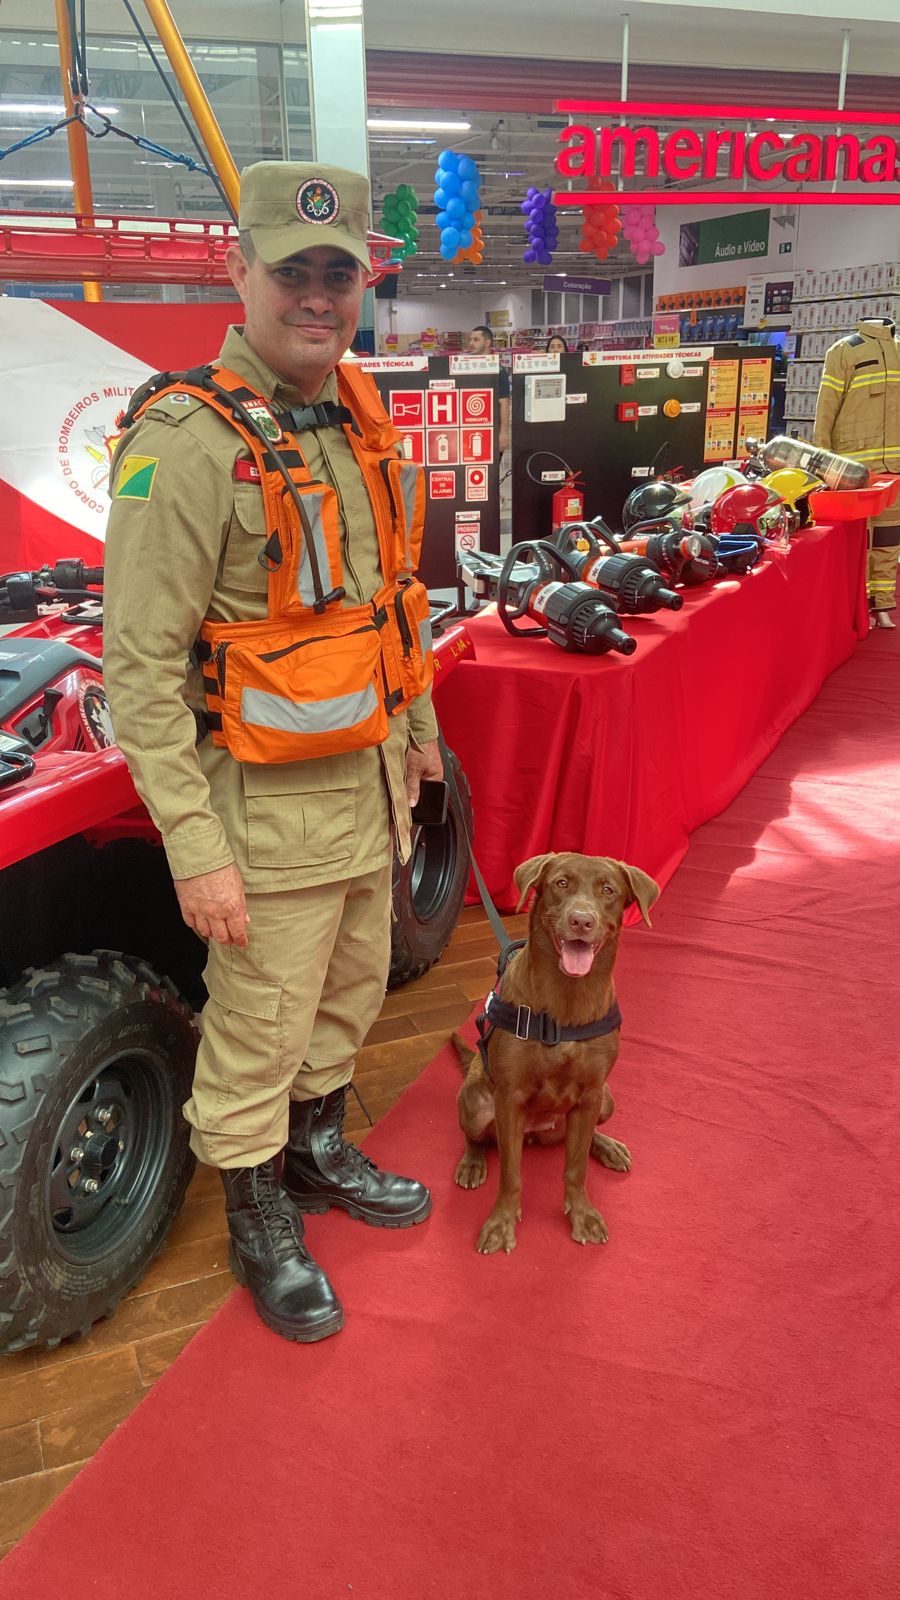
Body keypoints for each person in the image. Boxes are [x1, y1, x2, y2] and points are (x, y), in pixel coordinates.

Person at [103, 161, 442, 1345]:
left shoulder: (358, 410)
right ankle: (256, 1218)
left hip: (368, 790)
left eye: (336, 275)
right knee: (258, 1028)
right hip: (260, 816)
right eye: (290, 270)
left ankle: (319, 1153)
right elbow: (140, 671)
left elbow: (385, 600)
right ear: (235, 268)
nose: (315, 296)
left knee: (348, 996)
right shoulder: (183, 441)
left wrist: (421, 744)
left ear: (361, 286)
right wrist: (195, 851)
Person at [814, 317, 900, 629]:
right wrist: (821, 458)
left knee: (890, 538)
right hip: (854, 466)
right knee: (857, 539)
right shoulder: (845, 350)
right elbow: (826, 406)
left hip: (895, 467)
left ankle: (883, 603)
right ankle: (856, 604)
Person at [467, 323, 510, 452]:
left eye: (476, 340)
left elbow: (504, 403)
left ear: (487, 343)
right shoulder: (465, 367)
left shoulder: (498, 370)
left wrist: (503, 434)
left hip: (491, 428)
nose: (471, 343)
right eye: (470, 339)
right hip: (469, 427)